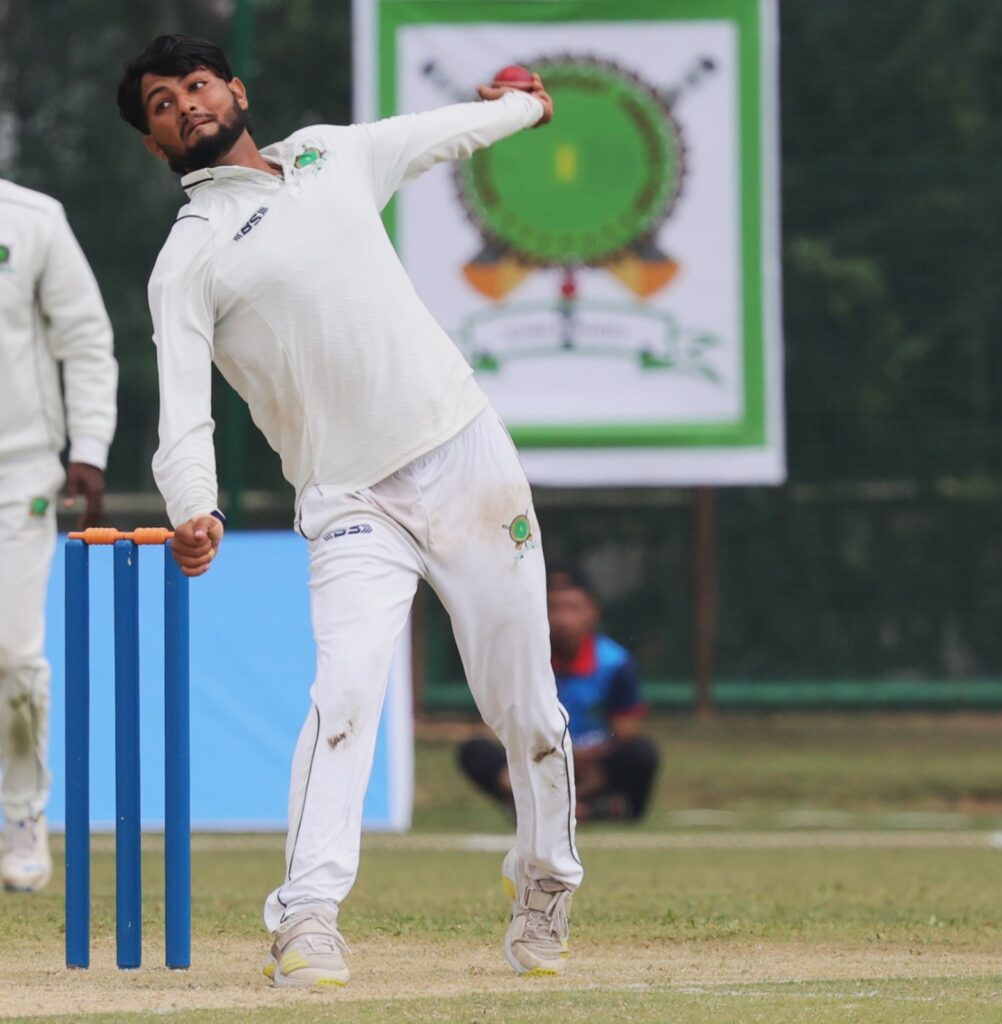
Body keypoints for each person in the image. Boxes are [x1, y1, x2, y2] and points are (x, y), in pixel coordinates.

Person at [116, 34, 581, 986]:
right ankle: (308, 916)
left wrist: (525, 109)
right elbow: (180, 407)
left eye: (197, 85)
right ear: (157, 146)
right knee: (347, 694)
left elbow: (435, 134)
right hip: (347, 497)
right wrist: (193, 507)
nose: (186, 106)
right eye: (163, 105)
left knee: (525, 704)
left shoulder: (331, 155)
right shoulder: (188, 257)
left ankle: (545, 876)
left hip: (464, 454)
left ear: (237, 90)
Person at [0, 178, 118, 892]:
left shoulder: (33, 218)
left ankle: (19, 817)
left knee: (13, 654)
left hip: (17, 474)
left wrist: (91, 446)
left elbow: (85, 338)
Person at [461, 566, 659, 823]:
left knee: (640, 753)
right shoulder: (524, 660)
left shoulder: (615, 662)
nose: (563, 619)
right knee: (475, 751)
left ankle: (560, 808)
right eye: (554, 608)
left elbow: (624, 733)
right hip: (537, 762)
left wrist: (570, 757)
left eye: (573, 608)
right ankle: (558, 807)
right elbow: (501, 726)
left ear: (592, 612)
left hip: (590, 767)